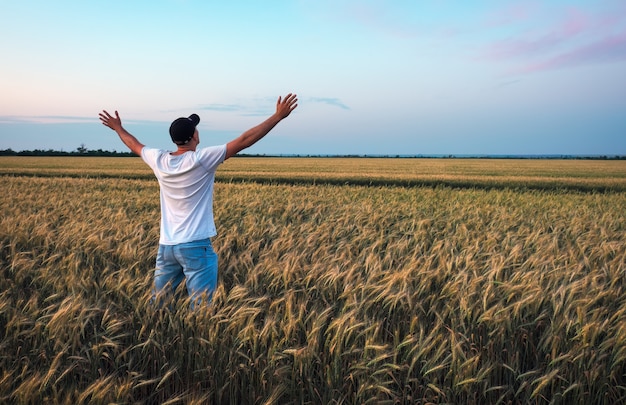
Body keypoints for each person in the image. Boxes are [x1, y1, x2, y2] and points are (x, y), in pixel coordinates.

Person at [99, 93, 298, 307]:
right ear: (195, 136)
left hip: (166, 246)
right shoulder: (201, 160)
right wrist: (277, 117)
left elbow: (134, 144)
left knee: (158, 305)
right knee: (201, 308)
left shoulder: (158, 159)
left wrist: (118, 128)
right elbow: (244, 141)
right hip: (195, 245)